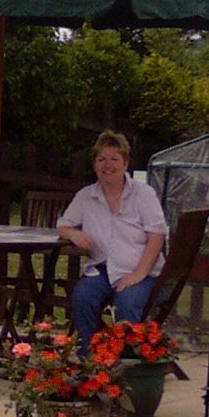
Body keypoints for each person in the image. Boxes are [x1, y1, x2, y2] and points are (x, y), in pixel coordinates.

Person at [56, 130, 168, 352]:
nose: (108, 165)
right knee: (82, 298)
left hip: (142, 272)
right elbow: (63, 224)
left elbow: (157, 235)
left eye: (114, 159)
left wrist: (138, 274)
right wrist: (73, 233)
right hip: (103, 270)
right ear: (94, 165)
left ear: (125, 163)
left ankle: (127, 364)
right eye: (101, 159)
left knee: (127, 301)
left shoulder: (143, 194)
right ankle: (91, 360)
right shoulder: (86, 196)